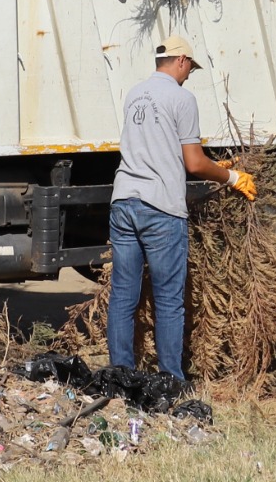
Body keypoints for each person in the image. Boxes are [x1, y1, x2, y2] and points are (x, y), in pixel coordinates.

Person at [108, 35, 255, 385]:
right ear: (182, 61)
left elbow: (157, 148)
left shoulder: (134, 95)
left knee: (124, 295)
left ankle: (119, 376)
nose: (190, 75)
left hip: (124, 201)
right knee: (169, 300)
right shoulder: (182, 98)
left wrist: (214, 164)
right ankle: (170, 380)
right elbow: (193, 163)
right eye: (190, 68)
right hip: (160, 209)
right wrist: (232, 176)